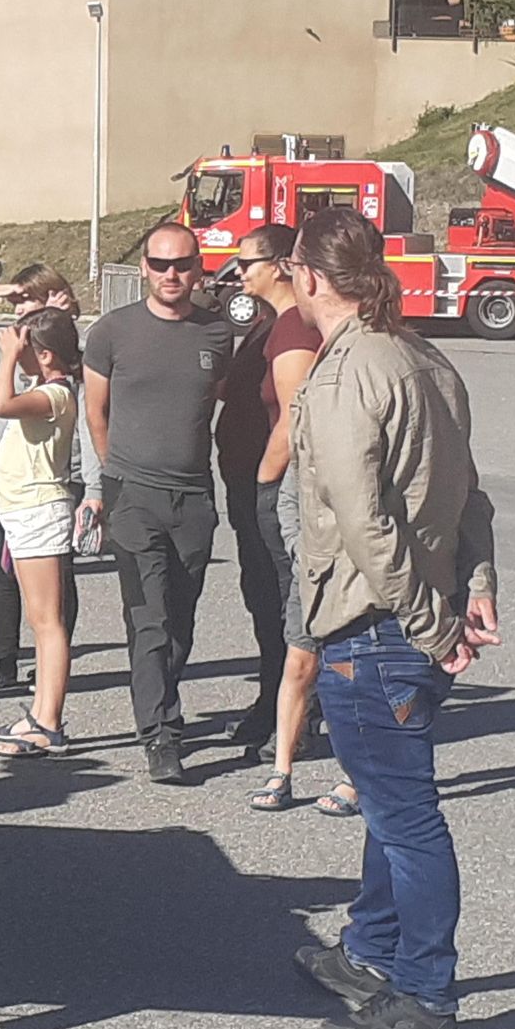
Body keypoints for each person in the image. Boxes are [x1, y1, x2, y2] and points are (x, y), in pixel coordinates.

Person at [288, 207, 499, 1029]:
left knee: (407, 818)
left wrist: (430, 623)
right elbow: (469, 491)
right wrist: (475, 583)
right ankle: (371, 950)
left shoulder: (348, 375)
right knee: (384, 800)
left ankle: (425, 995)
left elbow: (364, 521)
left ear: (309, 276)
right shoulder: (425, 357)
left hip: (377, 628)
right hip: (415, 618)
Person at [83, 222, 232, 785]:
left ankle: (163, 700)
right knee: (149, 619)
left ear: (198, 268)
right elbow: (96, 412)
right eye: (161, 263)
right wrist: (113, 478)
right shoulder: (111, 332)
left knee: (181, 620)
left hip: (193, 497)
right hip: (133, 496)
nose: (172, 274)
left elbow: (214, 402)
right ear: (144, 267)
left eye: (182, 264)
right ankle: (160, 735)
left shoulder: (217, 333)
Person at [0, 263, 100, 692]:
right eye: (17, 300)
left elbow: (89, 423)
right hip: (13, 482)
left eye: (29, 300)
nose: (20, 309)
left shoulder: (65, 357)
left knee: (54, 586)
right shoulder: (8, 341)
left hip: (55, 479)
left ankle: (49, 673)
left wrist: (94, 487)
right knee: (1, 572)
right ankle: (4, 660)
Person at [215, 224, 312, 755]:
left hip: (269, 486)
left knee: (281, 595)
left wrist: (264, 483)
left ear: (278, 265)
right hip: (244, 477)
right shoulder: (266, 323)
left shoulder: (295, 326)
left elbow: (294, 419)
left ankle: (295, 709)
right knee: (261, 593)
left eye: (247, 262)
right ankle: (272, 695)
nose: (238, 272)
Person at [0, 308, 85, 758]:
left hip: (39, 513)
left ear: (45, 355)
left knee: (48, 623)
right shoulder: (45, 388)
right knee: (40, 621)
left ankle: (49, 723)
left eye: (27, 348)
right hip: (25, 515)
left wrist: (8, 356)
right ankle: (40, 714)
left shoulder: (55, 394)